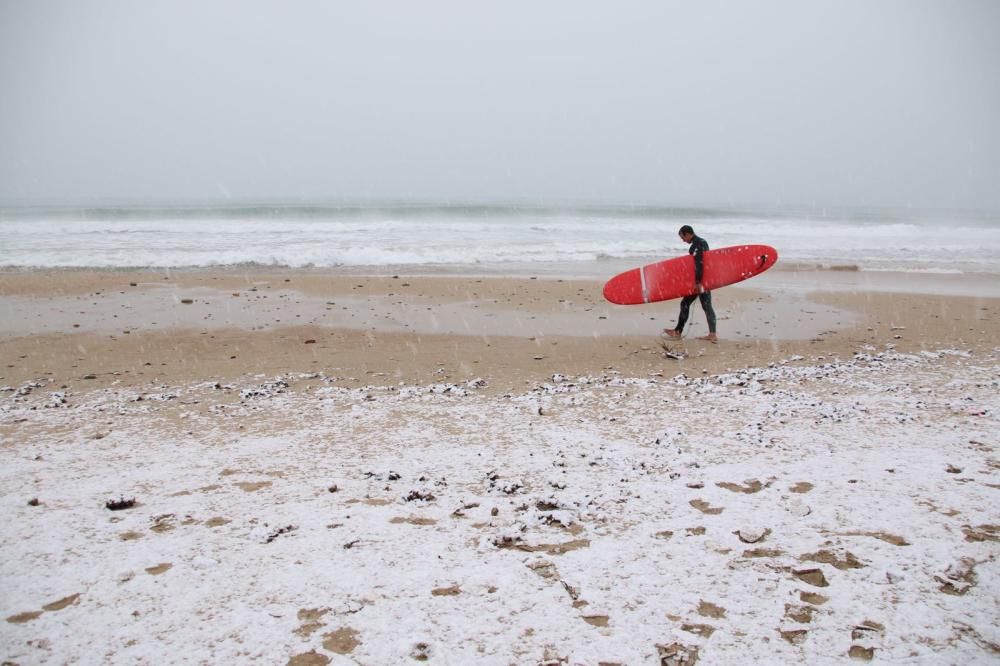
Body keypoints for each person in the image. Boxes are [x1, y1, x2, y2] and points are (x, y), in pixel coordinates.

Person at [663, 225, 717, 342]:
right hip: (703, 280)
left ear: (688, 234)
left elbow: (699, 263)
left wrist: (698, 282)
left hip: (700, 282)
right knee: (704, 306)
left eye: (683, 237)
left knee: (689, 304)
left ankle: (678, 332)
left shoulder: (698, 245)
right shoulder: (701, 243)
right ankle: (711, 334)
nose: (683, 240)